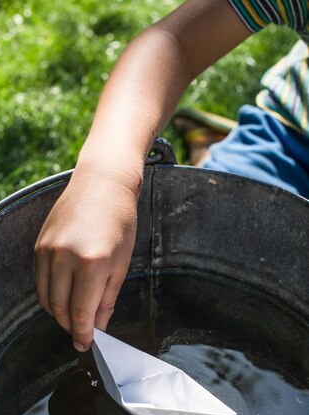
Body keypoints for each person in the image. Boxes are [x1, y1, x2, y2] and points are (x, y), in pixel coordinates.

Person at [35, 0, 309, 353]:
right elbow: (173, 43)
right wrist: (107, 176)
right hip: (291, 139)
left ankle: (209, 145)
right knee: (212, 236)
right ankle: (217, 151)